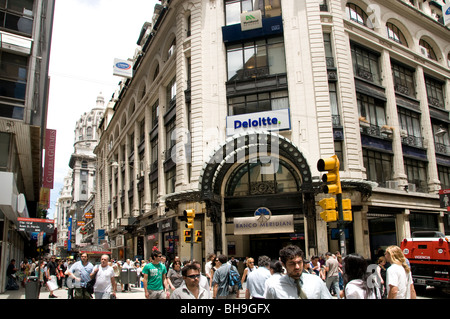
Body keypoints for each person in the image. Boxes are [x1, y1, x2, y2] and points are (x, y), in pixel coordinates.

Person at [265, 245, 332, 299]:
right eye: (292, 263)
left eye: (299, 262)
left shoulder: (316, 282)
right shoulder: (274, 288)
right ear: (283, 265)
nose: (297, 267)